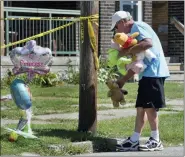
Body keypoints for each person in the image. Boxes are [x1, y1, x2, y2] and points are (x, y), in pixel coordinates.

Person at [110, 11, 170, 151]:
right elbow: (138, 62)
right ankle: (134, 140)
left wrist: (125, 51)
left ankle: (156, 140)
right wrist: (122, 81)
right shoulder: (134, 35)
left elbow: (147, 44)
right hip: (147, 74)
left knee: (150, 107)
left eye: (116, 27)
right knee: (141, 108)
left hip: (154, 73)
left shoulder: (137, 26)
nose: (116, 31)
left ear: (122, 22)